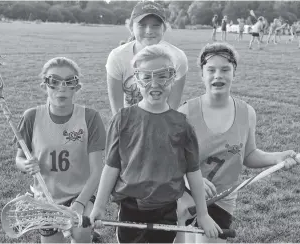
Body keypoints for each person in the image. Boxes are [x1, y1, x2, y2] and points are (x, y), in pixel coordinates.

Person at [89, 44, 222, 243]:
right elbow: (111, 166)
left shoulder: (181, 124)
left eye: (162, 76)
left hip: (166, 209)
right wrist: (98, 207)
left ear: (173, 78)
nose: (155, 84)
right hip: (130, 207)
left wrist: (203, 215)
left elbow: (193, 172)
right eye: (146, 77)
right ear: (136, 79)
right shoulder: (122, 119)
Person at [175, 42, 300, 243]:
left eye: (225, 69)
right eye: (211, 70)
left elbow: (249, 155)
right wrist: (190, 177)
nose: (218, 75)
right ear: (202, 74)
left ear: (234, 73)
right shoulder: (185, 113)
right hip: (185, 195)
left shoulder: (247, 112)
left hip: (221, 199)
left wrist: (278, 157)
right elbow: (170, 160)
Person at [15, 57, 106, 243]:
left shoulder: (90, 117)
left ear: (76, 87)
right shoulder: (31, 117)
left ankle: (86, 235)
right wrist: (26, 165)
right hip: (46, 198)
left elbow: (97, 170)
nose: (61, 87)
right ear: (44, 86)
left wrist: (80, 203)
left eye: (69, 82)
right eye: (54, 81)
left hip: (80, 194)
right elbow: (18, 159)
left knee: (80, 233)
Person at [107, 1, 188, 116]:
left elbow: (172, 108)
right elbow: (117, 112)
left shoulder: (178, 58)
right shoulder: (117, 57)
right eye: (142, 25)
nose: (149, 31)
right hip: (130, 122)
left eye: (156, 25)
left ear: (164, 28)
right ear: (131, 27)